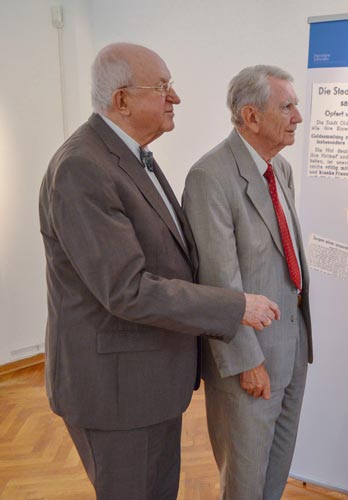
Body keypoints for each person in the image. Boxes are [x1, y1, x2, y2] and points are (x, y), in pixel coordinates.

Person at [38, 43, 280, 500]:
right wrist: (235, 306)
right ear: (122, 100)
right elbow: (126, 289)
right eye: (163, 87)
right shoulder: (81, 167)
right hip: (116, 395)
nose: (177, 98)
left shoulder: (130, 156)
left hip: (145, 385)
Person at [182, 65, 312, 500]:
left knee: (274, 474)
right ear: (251, 117)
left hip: (291, 350)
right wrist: (246, 360)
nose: (298, 116)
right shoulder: (210, 177)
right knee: (244, 482)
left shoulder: (282, 170)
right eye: (288, 106)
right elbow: (219, 280)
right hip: (249, 362)